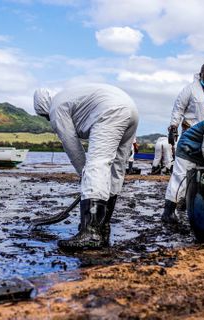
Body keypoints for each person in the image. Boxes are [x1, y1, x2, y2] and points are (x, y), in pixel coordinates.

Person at [33, 83, 139, 250]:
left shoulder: (56, 108)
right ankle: (102, 227)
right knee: (116, 168)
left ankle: (90, 232)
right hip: (131, 109)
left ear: (44, 108)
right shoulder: (68, 96)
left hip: (110, 110)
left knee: (96, 165)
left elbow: (72, 146)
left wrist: (86, 176)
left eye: (45, 116)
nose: (48, 119)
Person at [169, 62, 204, 135]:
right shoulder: (190, 89)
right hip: (192, 133)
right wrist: (174, 127)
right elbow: (178, 108)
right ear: (201, 75)